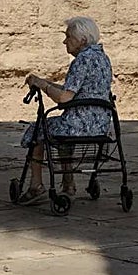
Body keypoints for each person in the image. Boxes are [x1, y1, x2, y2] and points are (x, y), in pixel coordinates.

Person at [18, 15, 113, 205]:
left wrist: (42, 85)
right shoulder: (103, 58)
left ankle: (36, 185)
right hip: (100, 124)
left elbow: (64, 98)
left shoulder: (82, 60)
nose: (65, 41)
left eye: (69, 37)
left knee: (38, 129)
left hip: (79, 124)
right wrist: (45, 82)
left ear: (82, 40)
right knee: (60, 129)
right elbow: (75, 90)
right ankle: (68, 184)